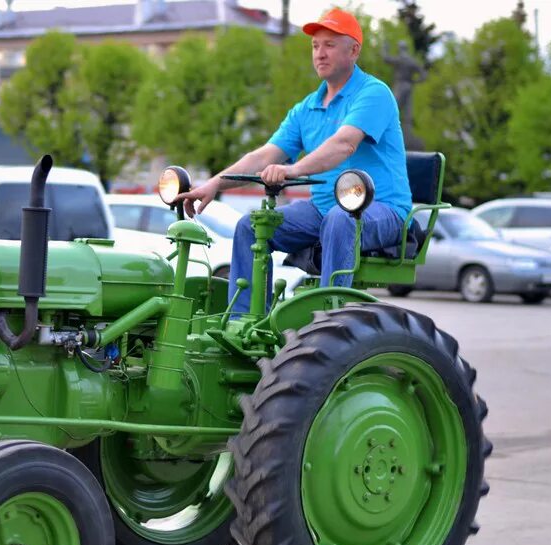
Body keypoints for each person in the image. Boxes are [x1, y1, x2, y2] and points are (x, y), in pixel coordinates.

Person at [175, 8, 411, 315]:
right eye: (315, 46)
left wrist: (292, 170)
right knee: (252, 226)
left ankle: (329, 318)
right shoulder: (306, 109)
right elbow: (263, 156)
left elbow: (344, 144)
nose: (320, 54)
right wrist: (214, 184)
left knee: (340, 219)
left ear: (354, 50)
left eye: (329, 44)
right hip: (323, 210)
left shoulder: (374, 93)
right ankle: (246, 321)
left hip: (378, 209)